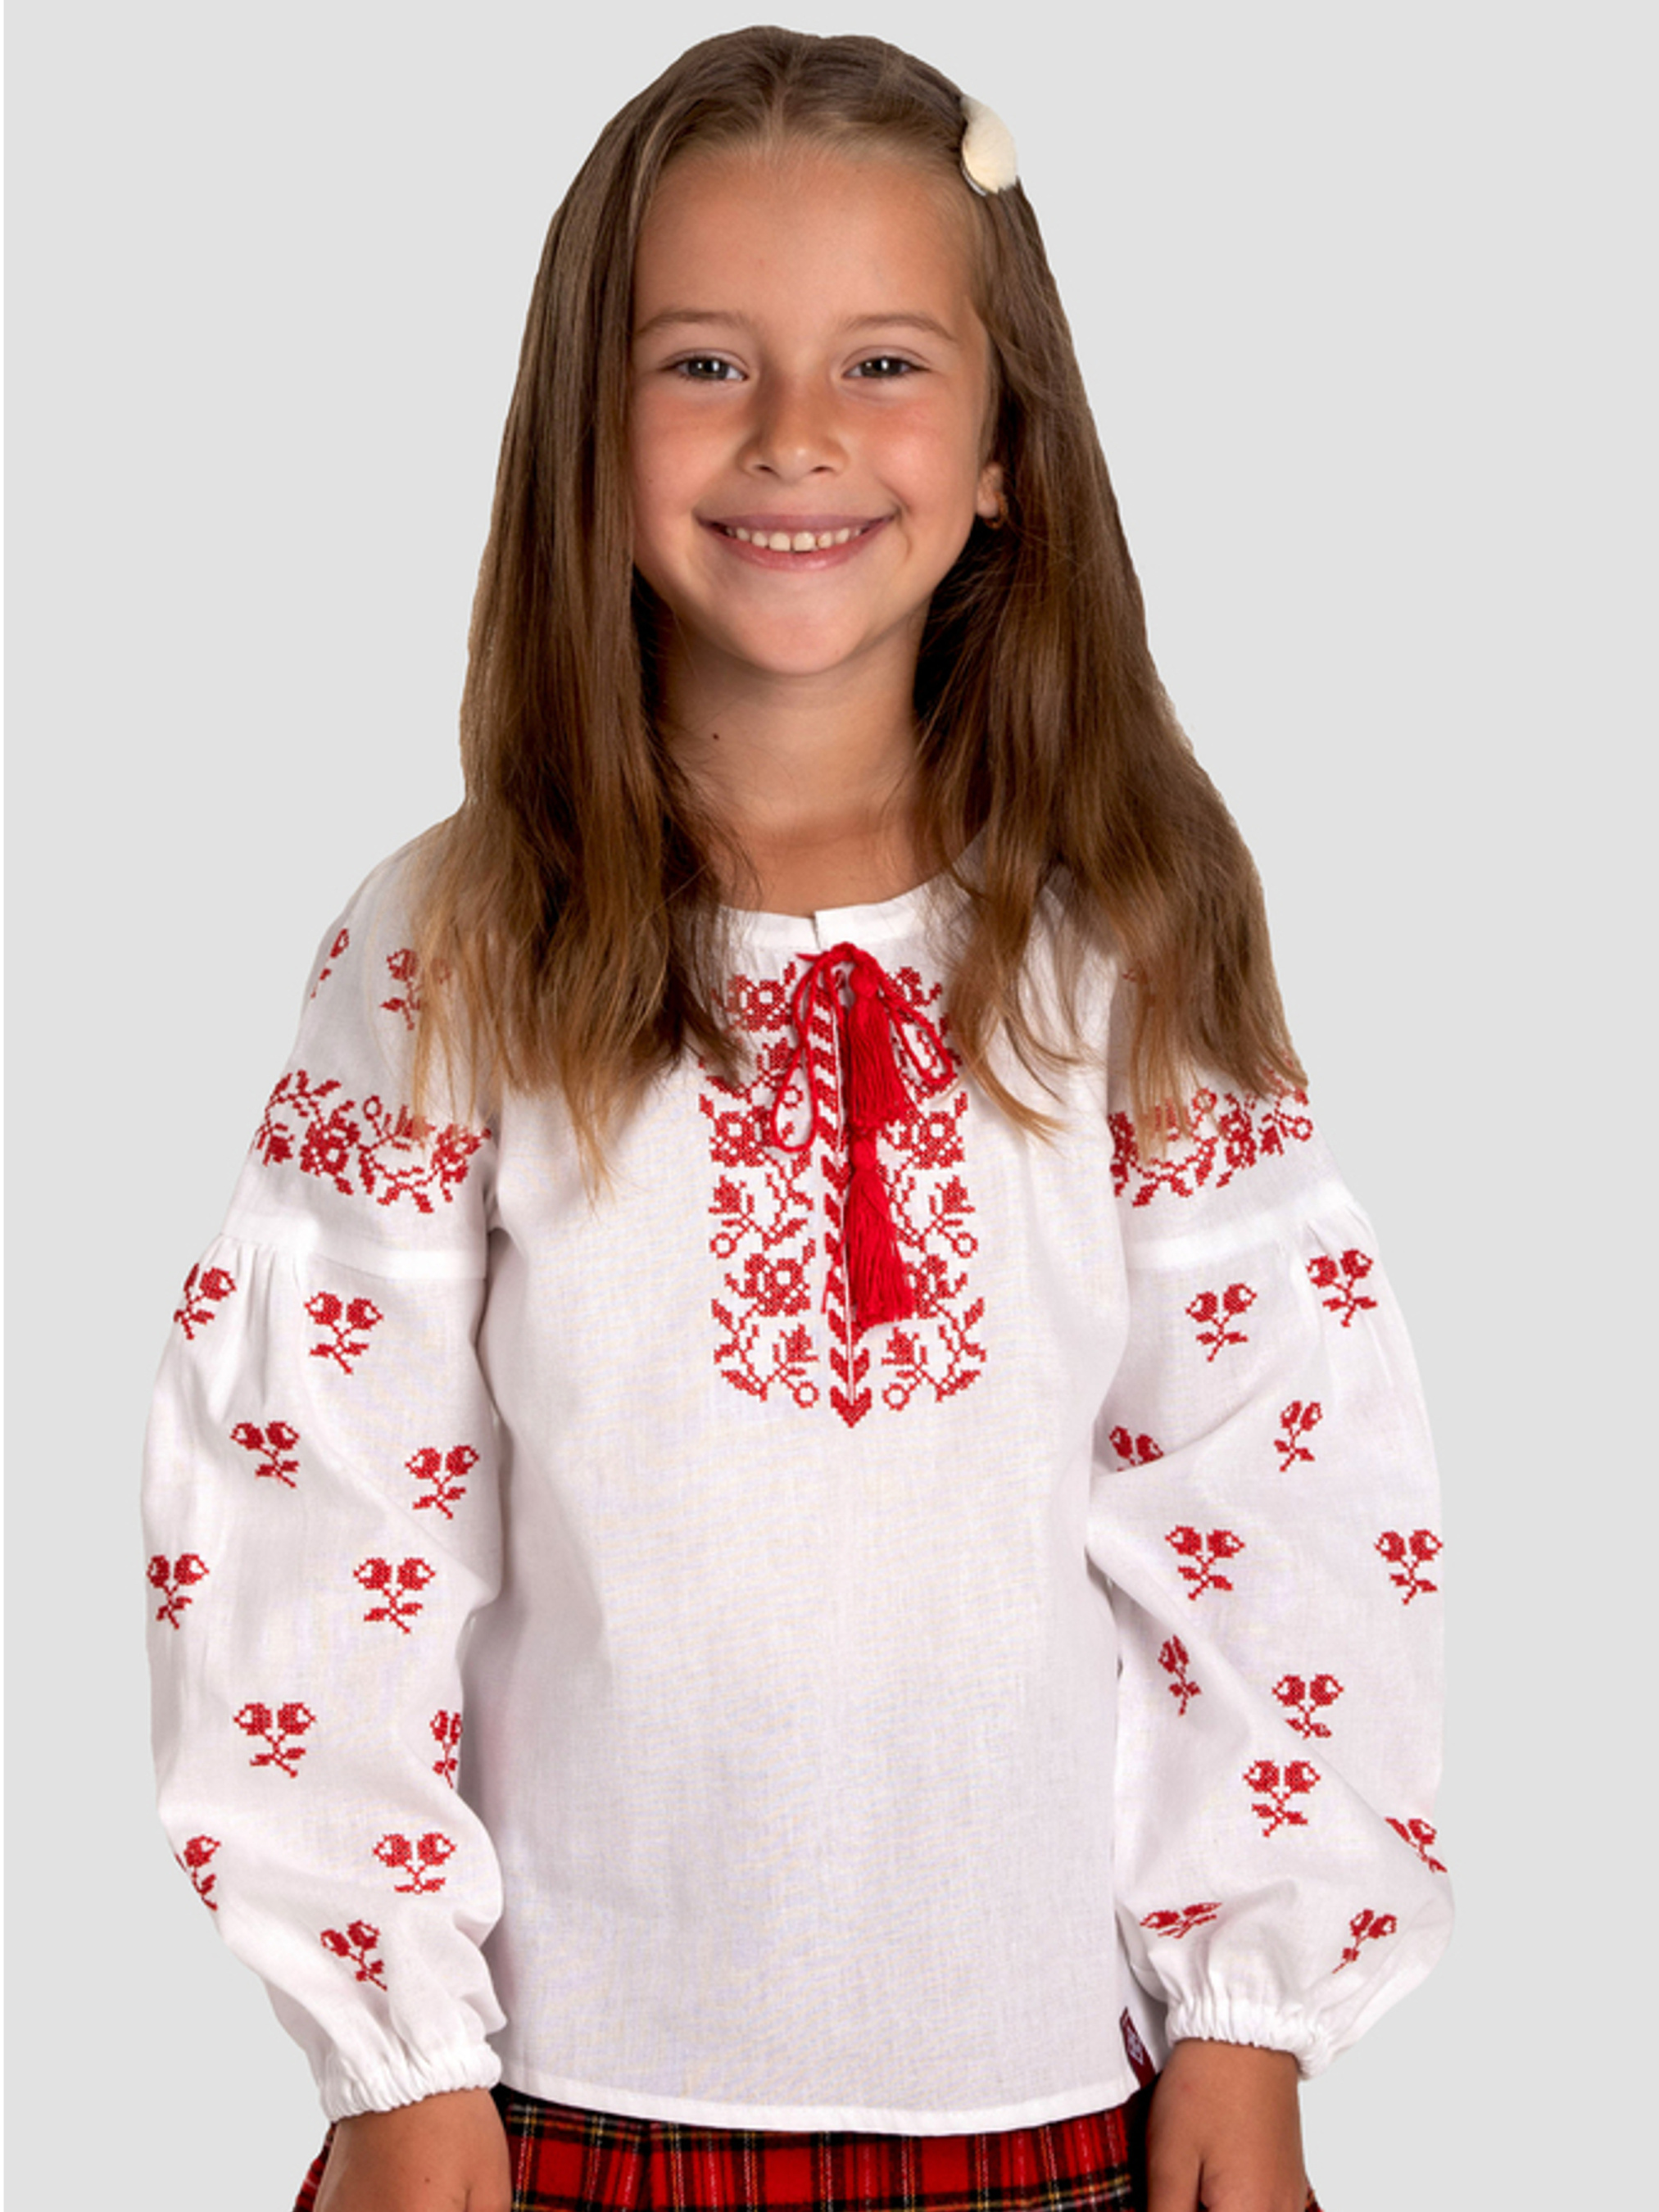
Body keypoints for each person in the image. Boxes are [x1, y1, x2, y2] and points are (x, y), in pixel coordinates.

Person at [143, 27, 1448, 2212]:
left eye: (881, 364)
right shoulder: (457, 941)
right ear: (585, 434)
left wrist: (1253, 2008)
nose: (794, 437)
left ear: (1007, 446)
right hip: (540, 2107)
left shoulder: (1122, 930)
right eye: (701, 364)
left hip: (1052, 2090)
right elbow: (317, 1499)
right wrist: (388, 2049)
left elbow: (1274, 1464)